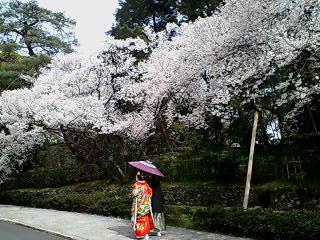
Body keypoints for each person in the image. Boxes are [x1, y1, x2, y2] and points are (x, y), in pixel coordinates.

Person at [131, 171, 154, 240]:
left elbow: (133, 194)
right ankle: (146, 234)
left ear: (137, 177)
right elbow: (150, 194)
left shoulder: (136, 185)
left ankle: (141, 234)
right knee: (145, 219)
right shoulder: (146, 185)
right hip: (146, 205)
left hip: (138, 205)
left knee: (139, 220)